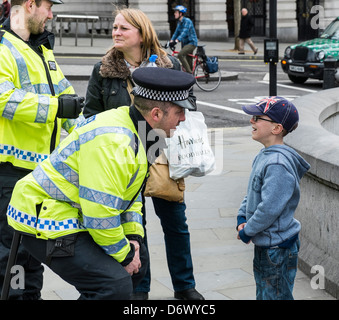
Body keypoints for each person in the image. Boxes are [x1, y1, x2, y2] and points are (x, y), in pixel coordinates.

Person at [6, 67, 196, 300]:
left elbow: (133, 193)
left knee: (139, 263)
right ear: (156, 114)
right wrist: (125, 256)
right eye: (179, 111)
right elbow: (100, 215)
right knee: (113, 286)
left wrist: (134, 238)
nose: (184, 118)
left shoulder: (147, 132)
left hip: (76, 213)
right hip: (45, 218)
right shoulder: (114, 141)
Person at [83, 7, 204, 300]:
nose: (116, 33)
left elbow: (190, 103)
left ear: (141, 33)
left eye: (123, 28)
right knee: (135, 227)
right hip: (123, 159)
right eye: (114, 27)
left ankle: (185, 286)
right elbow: (90, 114)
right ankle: (140, 288)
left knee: (176, 222)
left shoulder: (169, 64)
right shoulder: (103, 69)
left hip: (162, 153)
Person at [0, 0, 84, 300]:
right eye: (48, 7)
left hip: (38, 174)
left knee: (31, 256)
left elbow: (70, 102)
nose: (51, 14)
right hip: (10, 174)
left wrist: (92, 134)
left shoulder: (41, 50)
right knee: (12, 260)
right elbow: (3, 100)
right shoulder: (3, 48)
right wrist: (56, 107)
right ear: (31, 5)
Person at [236, 96, 311, 300]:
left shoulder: (277, 164)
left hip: (277, 249)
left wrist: (248, 230)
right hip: (267, 245)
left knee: (275, 296)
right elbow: (252, 191)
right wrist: (242, 217)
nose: (252, 121)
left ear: (276, 128)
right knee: (266, 294)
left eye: (258, 117)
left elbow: (269, 208)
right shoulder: (264, 155)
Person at [169, 5, 198, 74]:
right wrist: (171, 41)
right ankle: (190, 80)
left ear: (180, 14)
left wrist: (176, 41)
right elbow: (176, 33)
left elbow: (184, 32)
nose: (174, 14)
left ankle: (189, 74)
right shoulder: (179, 22)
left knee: (180, 55)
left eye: (176, 12)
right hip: (185, 44)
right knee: (188, 61)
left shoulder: (187, 21)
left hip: (191, 43)